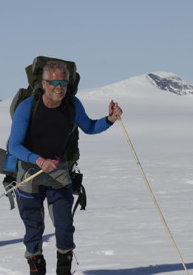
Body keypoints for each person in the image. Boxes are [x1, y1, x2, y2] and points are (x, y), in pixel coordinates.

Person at [8, 59, 123, 275]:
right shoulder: (28, 107)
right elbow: (14, 145)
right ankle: (36, 269)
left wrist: (109, 119)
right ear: (43, 83)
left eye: (63, 82)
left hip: (58, 173)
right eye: (53, 82)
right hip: (29, 172)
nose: (59, 87)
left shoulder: (72, 104)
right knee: (33, 229)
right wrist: (38, 160)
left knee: (64, 226)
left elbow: (88, 127)